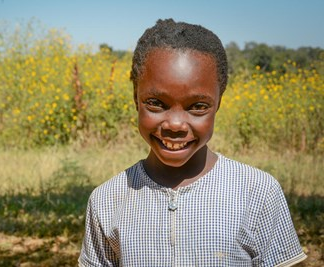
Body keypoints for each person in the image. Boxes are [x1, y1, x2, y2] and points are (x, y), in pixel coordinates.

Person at [78, 19, 307, 266]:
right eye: (156, 103)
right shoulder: (107, 200)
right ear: (136, 98)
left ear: (218, 103)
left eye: (197, 107)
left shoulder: (257, 192)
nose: (175, 125)